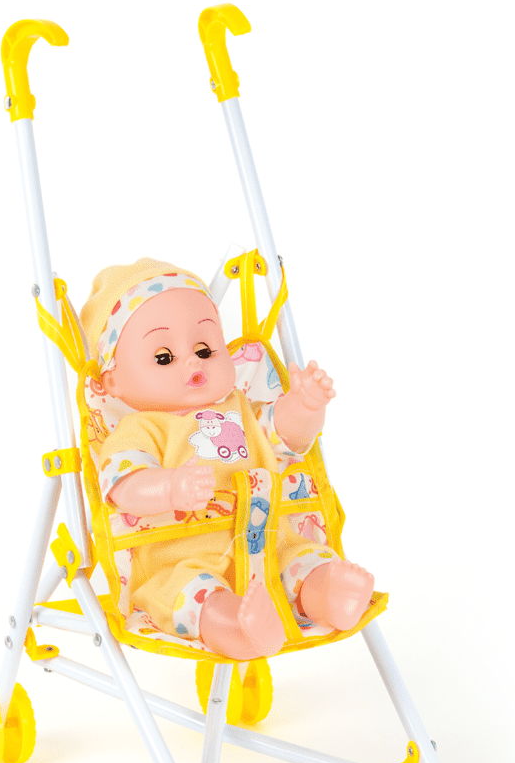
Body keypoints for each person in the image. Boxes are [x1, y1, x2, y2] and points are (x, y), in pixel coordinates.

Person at [81, 258, 374, 660]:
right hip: (180, 560)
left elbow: (288, 438)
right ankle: (238, 628)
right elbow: (122, 488)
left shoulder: (242, 409)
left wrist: (304, 407)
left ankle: (330, 594)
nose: (192, 361)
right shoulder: (139, 429)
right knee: (192, 597)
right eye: (164, 357)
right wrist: (169, 488)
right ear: (112, 381)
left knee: (303, 561)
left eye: (204, 349)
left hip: (269, 544)